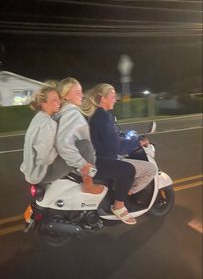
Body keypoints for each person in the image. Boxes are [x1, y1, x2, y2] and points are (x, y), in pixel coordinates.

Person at [83, 83, 156, 224]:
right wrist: (138, 143)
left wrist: (129, 139)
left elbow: (111, 139)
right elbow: (118, 149)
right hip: (103, 160)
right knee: (147, 169)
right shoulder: (104, 117)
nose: (115, 99)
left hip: (99, 156)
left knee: (128, 165)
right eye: (112, 96)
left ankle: (122, 192)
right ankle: (119, 204)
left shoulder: (98, 115)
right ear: (102, 98)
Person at [56, 77, 105, 194]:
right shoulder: (71, 113)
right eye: (78, 93)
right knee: (124, 170)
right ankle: (89, 186)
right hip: (82, 164)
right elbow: (64, 143)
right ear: (66, 96)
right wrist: (83, 165)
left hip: (71, 160)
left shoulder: (62, 112)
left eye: (81, 92)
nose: (82, 96)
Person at [20, 81, 71, 185]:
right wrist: (61, 151)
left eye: (58, 100)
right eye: (54, 100)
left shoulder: (39, 117)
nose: (59, 103)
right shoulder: (48, 124)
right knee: (80, 148)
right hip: (40, 174)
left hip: (31, 171)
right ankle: (88, 185)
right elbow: (45, 159)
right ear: (44, 104)